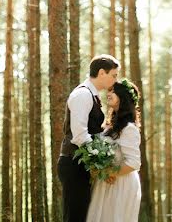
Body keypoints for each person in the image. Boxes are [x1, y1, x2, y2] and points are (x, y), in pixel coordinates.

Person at [58, 54, 120, 222]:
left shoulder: (93, 96)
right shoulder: (83, 95)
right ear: (101, 73)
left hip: (81, 164)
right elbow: (79, 135)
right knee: (76, 216)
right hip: (73, 163)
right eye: (113, 75)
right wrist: (100, 163)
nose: (115, 80)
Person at [86, 79, 142, 222]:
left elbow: (134, 163)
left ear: (123, 97)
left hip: (121, 184)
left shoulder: (129, 128)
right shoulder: (109, 126)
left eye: (113, 91)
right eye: (109, 90)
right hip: (106, 182)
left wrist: (109, 173)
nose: (108, 93)